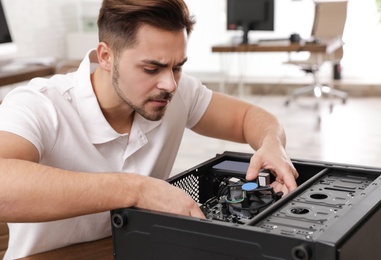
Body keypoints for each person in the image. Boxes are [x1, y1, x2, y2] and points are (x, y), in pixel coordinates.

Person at [0, 0, 298, 258]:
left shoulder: (175, 93)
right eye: (151, 69)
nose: (169, 84)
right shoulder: (38, 105)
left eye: (177, 66)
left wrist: (272, 143)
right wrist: (136, 189)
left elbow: (249, 117)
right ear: (106, 57)